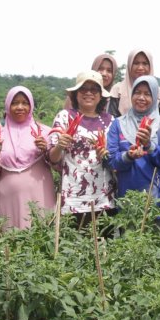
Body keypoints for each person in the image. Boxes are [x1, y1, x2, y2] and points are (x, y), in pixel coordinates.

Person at [108, 75, 160, 231]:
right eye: (137, 92)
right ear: (131, 95)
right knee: (130, 250)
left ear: (154, 97)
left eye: (147, 94)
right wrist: (128, 156)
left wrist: (149, 145)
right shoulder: (118, 124)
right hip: (129, 201)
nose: (141, 97)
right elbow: (111, 160)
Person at [49, 71, 117, 227]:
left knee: (104, 246)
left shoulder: (110, 120)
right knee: (74, 247)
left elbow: (115, 156)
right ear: (75, 94)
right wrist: (60, 145)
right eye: (83, 89)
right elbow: (52, 158)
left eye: (94, 89)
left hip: (104, 196)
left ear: (100, 95)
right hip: (73, 198)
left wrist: (105, 154)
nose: (88, 93)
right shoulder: (65, 117)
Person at [0, 86, 56, 230]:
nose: (20, 107)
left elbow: (59, 165)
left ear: (31, 106)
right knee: (13, 241)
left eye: (25, 103)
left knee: (42, 235)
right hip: (9, 198)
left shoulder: (45, 132)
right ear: (7, 106)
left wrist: (46, 149)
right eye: (15, 103)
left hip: (40, 194)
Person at [108, 50, 160, 117]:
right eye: (136, 63)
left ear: (150, 66)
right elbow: (112, 119)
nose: (140, 68)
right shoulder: (117, 90)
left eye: (145, 63)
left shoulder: (158, 92)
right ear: (129, 65)